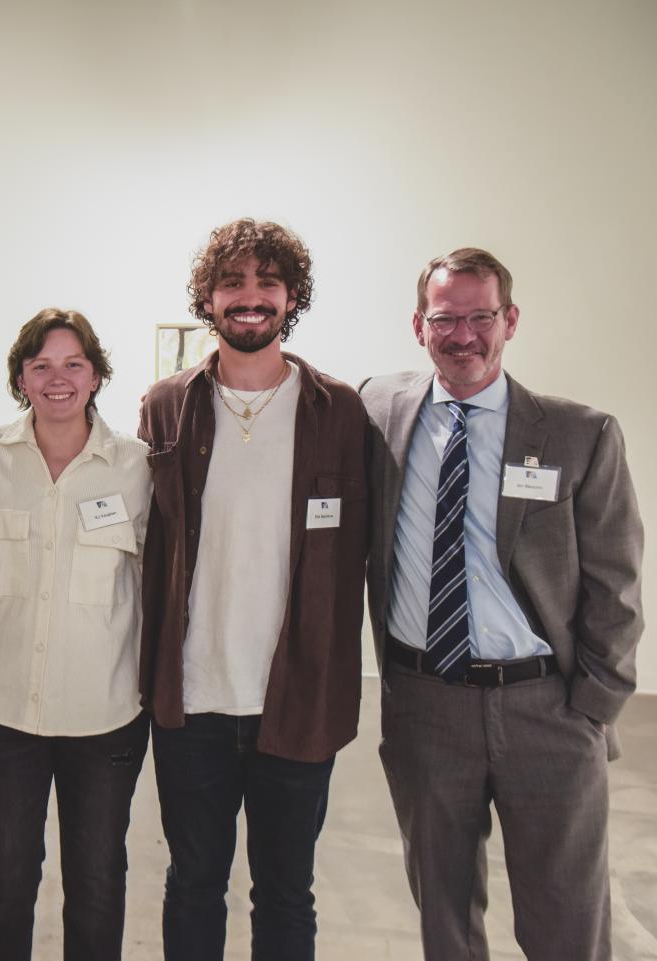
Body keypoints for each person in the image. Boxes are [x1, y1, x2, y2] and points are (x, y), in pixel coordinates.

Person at [362, 248, 643, 961]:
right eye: (444, 319)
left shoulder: (580, 434)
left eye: (480, 317)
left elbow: (618, 583)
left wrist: (593, 707)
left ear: (509, 320)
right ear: (418, 326)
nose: (463, 336)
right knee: (445, 921)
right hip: (426, 705)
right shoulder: (377, 412)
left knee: (566, 921)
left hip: (546, 709)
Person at [138, 219, 368, 961]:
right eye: (232, 282)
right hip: (192, 698)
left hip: (296, 700)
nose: (250, 298)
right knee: (194, 882)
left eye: (267, 282)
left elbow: (364, 547)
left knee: (285, 892)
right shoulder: (166, 405)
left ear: (291, 296)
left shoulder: (338, 411)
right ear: (207, 298)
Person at [0, 308, 151, 961]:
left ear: (96, 374)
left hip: (104, 718)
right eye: (41, 364)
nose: (57, 378)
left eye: (73, 363)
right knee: (4, 884)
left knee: (98, 884)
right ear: (21, 376)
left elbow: (157, 578)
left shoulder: (136, 465)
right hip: (3, 714)